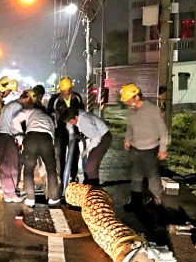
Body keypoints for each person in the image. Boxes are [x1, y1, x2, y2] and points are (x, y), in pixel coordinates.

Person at [120, 83, 168, 211]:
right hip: (136, 148)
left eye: (130, 100)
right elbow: (129, 127)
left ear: (137, 96)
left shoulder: (152, 110)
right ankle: (135, 202)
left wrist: (163, 149)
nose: (129, 103)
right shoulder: (131, 111)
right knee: (136, 177)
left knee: (152, 178)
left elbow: (163, 130)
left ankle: (157, 201)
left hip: (150, 148)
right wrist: (127, 139)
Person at [12, 90, 60, 207]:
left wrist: (20, 138)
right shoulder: (48, 117)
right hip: (46, 139)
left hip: (31, 138)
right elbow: (53, 133)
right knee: (51, 170)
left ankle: (30, 199)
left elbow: (15, 120)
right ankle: (53, 198)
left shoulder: (29, 111)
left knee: (28, 170)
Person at [59, 107, 112, 187]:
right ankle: (91, 186)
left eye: (71, 121)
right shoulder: (78, 114)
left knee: (90, 167)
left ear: (76, 117)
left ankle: (93, 189)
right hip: (100, 137)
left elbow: (96, 138)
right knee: (91, 166)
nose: (71, 123)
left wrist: (87, 150)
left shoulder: (84, 122)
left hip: (103, 138)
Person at [47, 76, 84, 186]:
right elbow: (49, 115)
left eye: (65, 89)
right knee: (60, 156)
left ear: (70, 88)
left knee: (75, 154)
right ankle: (62, 177)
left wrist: (81, 128)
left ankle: (73, 177)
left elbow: (82, 112)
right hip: (61, 131)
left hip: (74, 130)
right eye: (62, 90)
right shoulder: (54, 100)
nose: (63, 92)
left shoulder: (77, 98)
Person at [0, 87, 25, 203]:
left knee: (5, 166)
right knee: (11, 166)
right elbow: (15, 124)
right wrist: (20, 139)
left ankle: (7, 193)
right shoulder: (17, 106)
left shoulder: (11, 104)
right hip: (8, 138)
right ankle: (10, 193)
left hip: (1, 137)